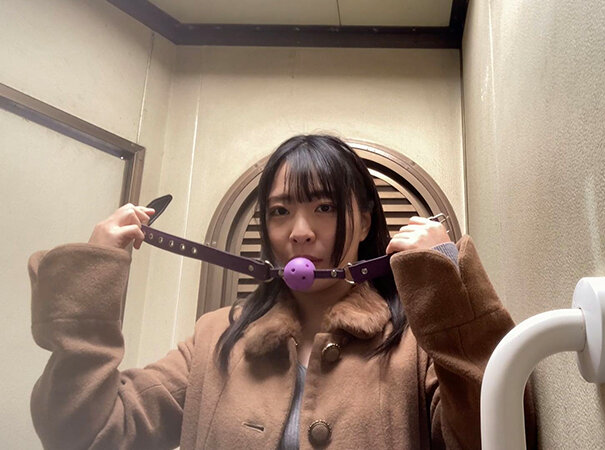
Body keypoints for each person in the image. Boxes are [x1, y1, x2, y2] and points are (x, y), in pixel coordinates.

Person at [28, 134, 535, 449]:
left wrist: (447, 283)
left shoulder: (417, 347)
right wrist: (92, 282)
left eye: (324, 207)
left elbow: (501, 437)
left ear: (364, 221)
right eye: (279, 211)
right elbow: (88, 434)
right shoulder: (215, 338)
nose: (299, 232)